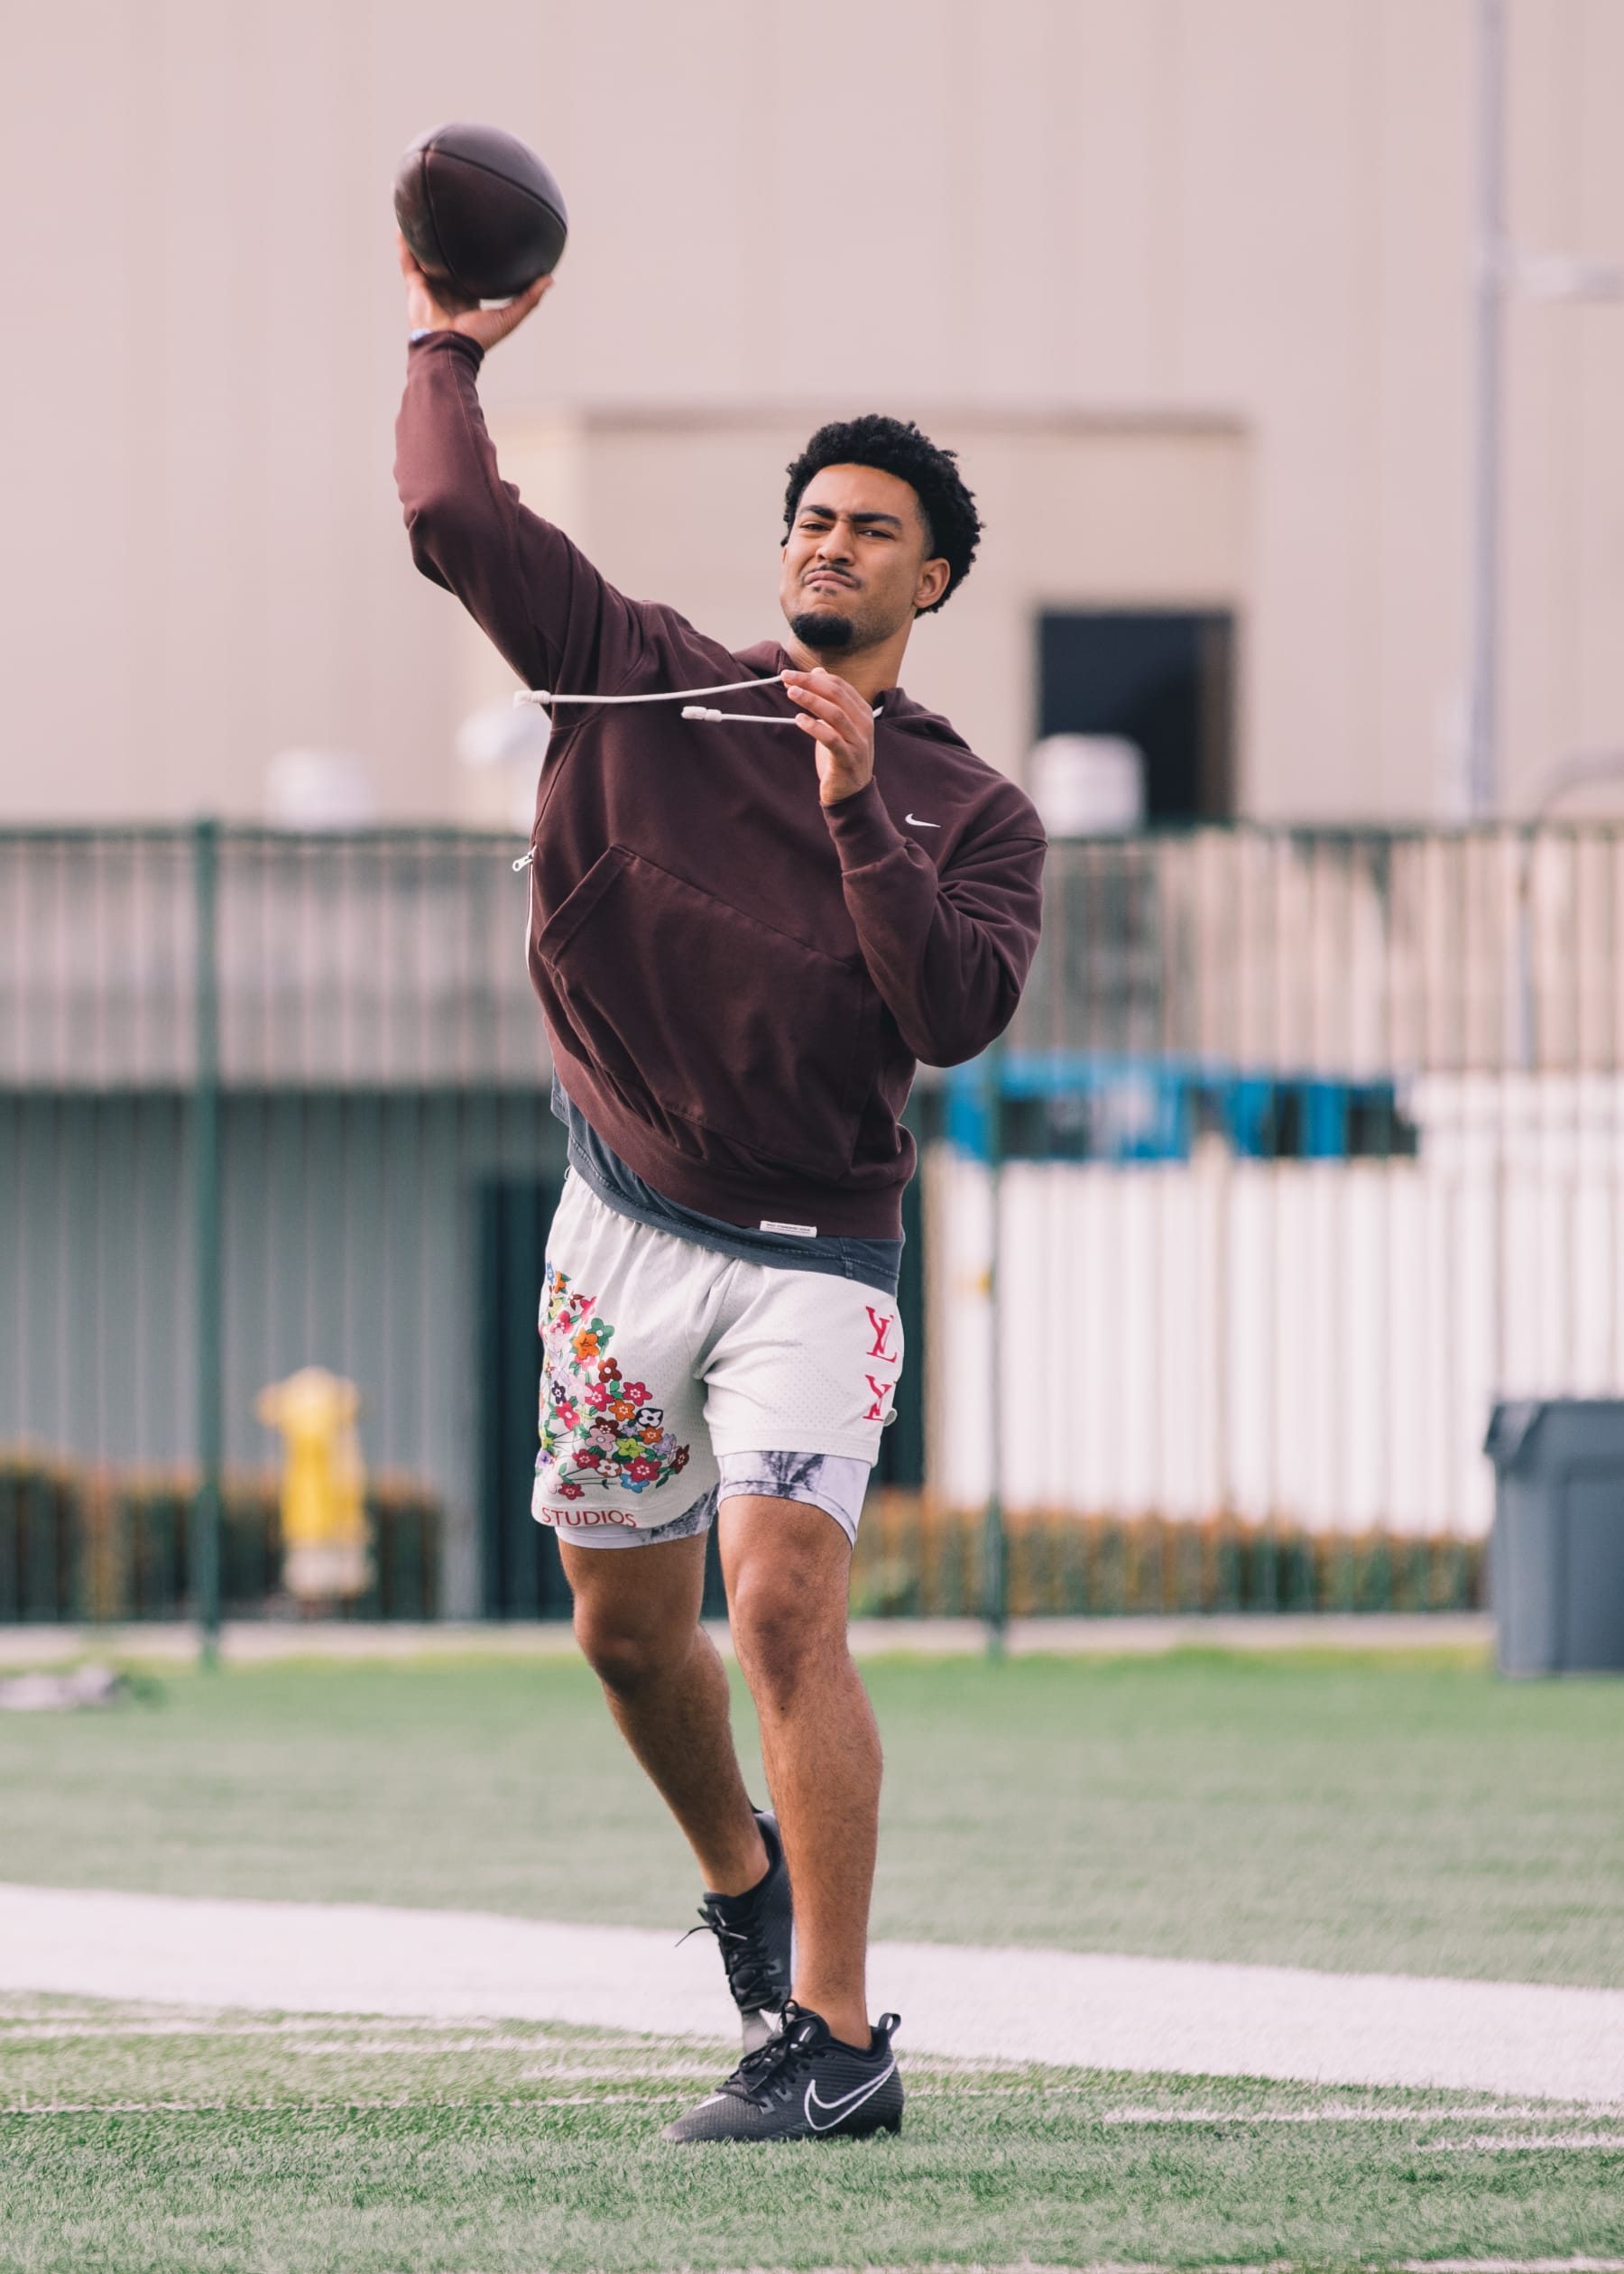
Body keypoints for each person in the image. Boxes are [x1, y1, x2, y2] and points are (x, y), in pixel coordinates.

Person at [394, 245, 1046, 2144]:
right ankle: (744, 1887)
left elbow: (956, 1014)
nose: (835, 545)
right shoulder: (642, 678)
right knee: (619, 1630)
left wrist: (858, 814)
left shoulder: (971, 810)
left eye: (876, 531)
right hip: (620, 1229)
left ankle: (833, 2045)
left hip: (812, 1266)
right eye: (815, 520)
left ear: (932, 583)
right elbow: (448, 505)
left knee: (776, 1609)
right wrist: (449, 334)